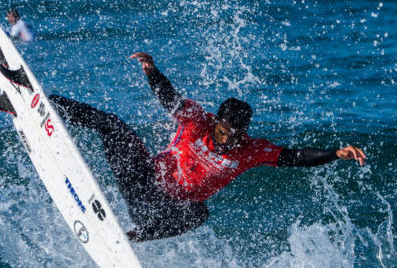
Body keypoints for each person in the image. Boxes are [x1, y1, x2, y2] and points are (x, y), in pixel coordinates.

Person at [49, 52, 366, 242]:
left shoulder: (250, 150)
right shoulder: (198, 121)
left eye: (235, 134)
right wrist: (152, 72)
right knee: (113, 125)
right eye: (224, 130)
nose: (228, 139)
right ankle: (47, 104)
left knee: (199, 212)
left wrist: (335, 153)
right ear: (216, 121)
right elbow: (170, 99)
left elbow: (294, 156)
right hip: (141, 179)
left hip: (159, 211)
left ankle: (131, 237)